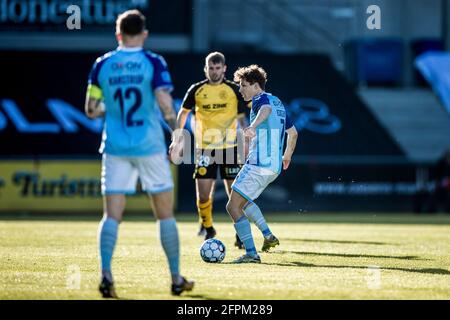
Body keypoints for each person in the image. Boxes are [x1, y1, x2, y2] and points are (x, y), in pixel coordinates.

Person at [85, 9, 194, 298]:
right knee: (164, 214)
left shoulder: (102, 65)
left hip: (116, 147)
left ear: (118, 34)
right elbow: (165, 104)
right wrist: (178, 134)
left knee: (112, 216)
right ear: (144, 34)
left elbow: (91, 110)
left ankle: (106, 274)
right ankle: (175, 278)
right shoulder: (153, 62)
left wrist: (113, 107)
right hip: (149, 146)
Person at [171, 52, 248, 247]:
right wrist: (177, 137)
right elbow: (183, 112)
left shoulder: (233, 89)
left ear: (224, 68)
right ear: (205, 69)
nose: (214, 71)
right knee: (204, 193)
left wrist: (247, 140)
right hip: (205, 149)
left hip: (230, 148)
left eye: (217, 68)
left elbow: (241, 119)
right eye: (210, 68)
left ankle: (240, 232)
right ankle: (208, 227)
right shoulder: (197, 90)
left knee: (235, 194)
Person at [227, 64, 298, 263]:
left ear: (256, 86)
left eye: (243, 85)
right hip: (273, 167)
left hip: (259, 163)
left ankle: (251, 253)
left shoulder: (261, 100)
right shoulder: (279, 103)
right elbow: (293, 133)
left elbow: (264, 110)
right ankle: (267, 236)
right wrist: (287, 156)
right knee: (245, 201)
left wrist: (252, 126)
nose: (240, 89)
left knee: (232, 207)